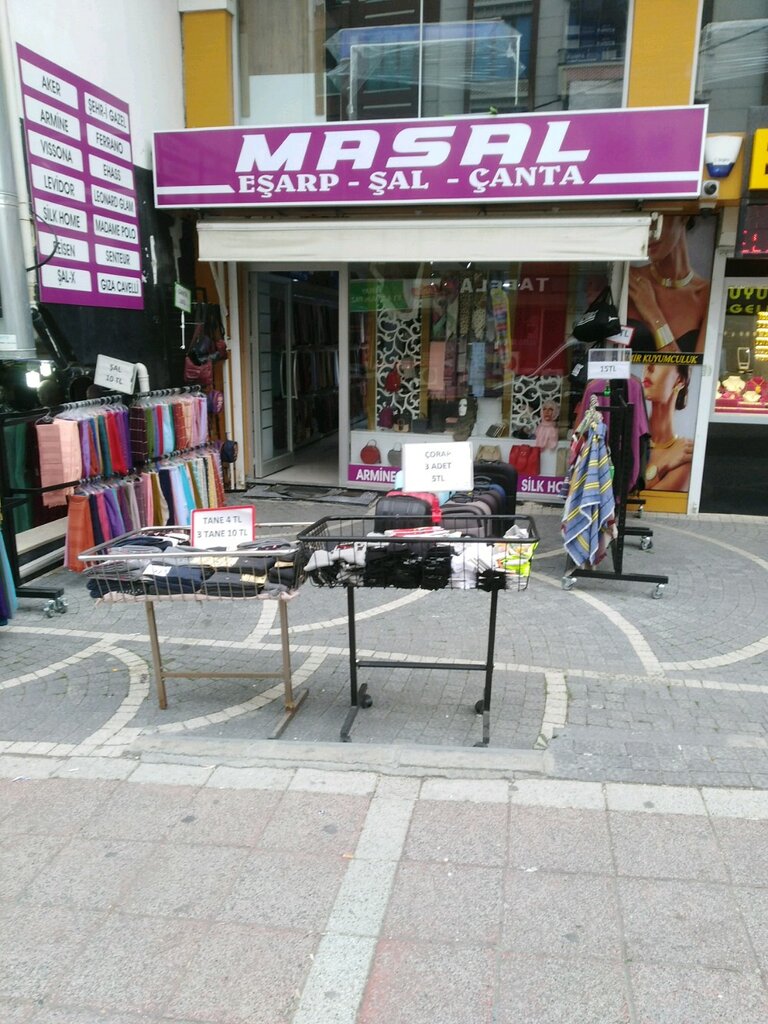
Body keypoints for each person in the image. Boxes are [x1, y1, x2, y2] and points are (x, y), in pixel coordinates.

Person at [628, 215, 710, 354]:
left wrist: (653, 314)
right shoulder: (630, 280)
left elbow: (689, 369)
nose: (650, 232)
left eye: (657, 219)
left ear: (683, 217)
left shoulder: (706, 294)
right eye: (643, 221)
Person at [641, 363, 693, 490]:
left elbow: (643, 500)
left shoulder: (684, 454)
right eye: (648, 359)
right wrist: (664, 462)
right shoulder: (628, 439)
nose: (649, 367)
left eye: (660, 361)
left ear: (679, 380)